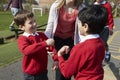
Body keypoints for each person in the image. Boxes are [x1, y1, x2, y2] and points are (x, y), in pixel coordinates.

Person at [57, 5, 108, 80]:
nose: (77, 25)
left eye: (79, 22)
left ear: (85, 27)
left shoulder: (80, 48)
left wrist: (59, 55)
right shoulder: (101, 43)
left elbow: (66, 72)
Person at [44, 0, 85, 80]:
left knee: (68, 67)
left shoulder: (81, 8)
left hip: (70, 40)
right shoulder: (56, 6)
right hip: (57, 40)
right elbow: (50, 26)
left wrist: (84, 45)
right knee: (59, 66)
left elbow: (82, 30)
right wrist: (45, 42)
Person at [14, 10, 55, 80]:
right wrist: (45, 43)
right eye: (30, 23)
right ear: (22, 27)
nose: (34, 24)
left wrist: (56, 59)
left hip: (43, 71)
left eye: (34, 21)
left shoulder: (42, 35)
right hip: (31, 75)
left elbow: (52, 48)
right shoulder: (22, 39)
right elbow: (27, 50)